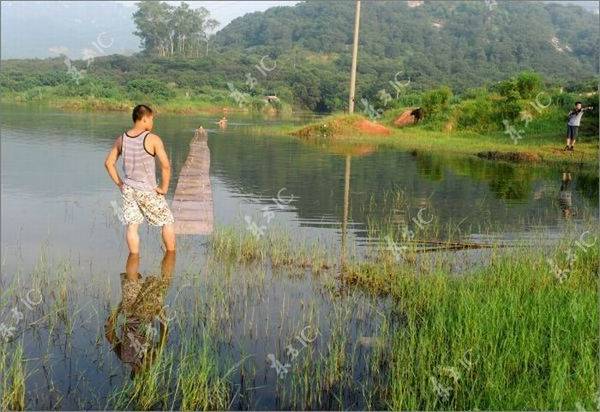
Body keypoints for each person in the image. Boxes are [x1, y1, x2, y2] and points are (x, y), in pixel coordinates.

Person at [104, 104, 176, 253]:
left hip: (128, 190)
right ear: (144, 119)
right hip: (147, 190)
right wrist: (164, 188)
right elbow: (166, 166)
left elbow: (109, 163)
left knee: (132, 225)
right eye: (152, 119)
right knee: (167, 221)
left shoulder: (121, 139)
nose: (152, 123)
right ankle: (170, 256)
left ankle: (133, 261)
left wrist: (120, 184)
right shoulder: (153, 139)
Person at [104, 250, 175, 377]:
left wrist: (162, 315)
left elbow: (164, 337)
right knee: (132, 276)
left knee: (164, 280)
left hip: (146, 312)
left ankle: (170, 249)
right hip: (131, 311)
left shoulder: (148, 360)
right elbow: (109, 333)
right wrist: (118, 310)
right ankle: (140, 247)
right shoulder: (125, 357)